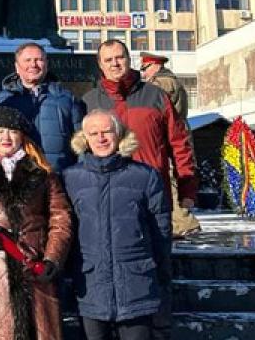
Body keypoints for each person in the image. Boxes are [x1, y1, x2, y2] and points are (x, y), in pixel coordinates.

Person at [81, 39, 192, 340]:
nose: (115, 64)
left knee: (158, 267)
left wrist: (187, 187)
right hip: (109, 204)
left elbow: (179, 142)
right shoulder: (90, 101)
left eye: (120, 57)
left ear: (129, 59)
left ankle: (160, 331)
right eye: (108, 60)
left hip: (153, 200)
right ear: (100, 64)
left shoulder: (155, 96)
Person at [0, 106, 73, 340]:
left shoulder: (43, 173)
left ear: (23, 137)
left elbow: (61, 218)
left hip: (35, 263)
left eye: (13, 131)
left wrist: (52, 258)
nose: (6, 137)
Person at [62, 109, 170, 340]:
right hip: (90, 283)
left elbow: (161, 231)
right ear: (84, 139)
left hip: (136, 283)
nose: (101, 138)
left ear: (119, 134)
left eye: (107, 132)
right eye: (93, 133)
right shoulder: (70, 179)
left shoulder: (145, 176)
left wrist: (161, 274)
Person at [0, 41, 85, 171]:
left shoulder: (66, 99)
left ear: (46, 64)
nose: (33, 64)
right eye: (28, 60)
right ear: (17, 67)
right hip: (17, 178)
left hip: (57, 176)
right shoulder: (1, 101)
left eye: (39, 60)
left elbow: (81, 142)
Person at [139, 52, 200, 238]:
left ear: (156, 66)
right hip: (174, 135)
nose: (143, 73)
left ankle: (185, 224)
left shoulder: (161, 84)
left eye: (145, 68)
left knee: (171, 182)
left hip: (170, 137)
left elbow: (155, 111)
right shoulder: (171, 81)